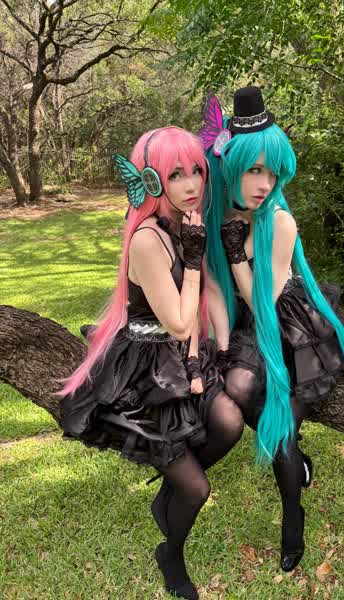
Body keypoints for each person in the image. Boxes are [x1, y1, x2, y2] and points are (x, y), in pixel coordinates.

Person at [201, 87, 344, 572]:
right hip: (247, 324)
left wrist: (237, 253)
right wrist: (219, 342)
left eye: (272, 172)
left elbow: (262, 302)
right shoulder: (221, 214)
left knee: (282, 426)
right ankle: (298, 463)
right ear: (231, 166)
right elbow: (217, 290)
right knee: (238, 388)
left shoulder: (280, 221)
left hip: (287, 323)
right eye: (254, 170)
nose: (264, 183)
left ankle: (293, 517)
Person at [58, 126, 244, 600]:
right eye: (175, 175)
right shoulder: (146, 239)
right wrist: (194, 260)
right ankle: (171, 554)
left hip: (182, 357)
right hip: (147, 371)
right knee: (197, 491)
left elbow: (204, 302)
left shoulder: (183, 222)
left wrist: (213, 354)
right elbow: (179, 322)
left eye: (196, 171)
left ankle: (171, 488)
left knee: (229, 423)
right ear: (152, 181)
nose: (191, 184)